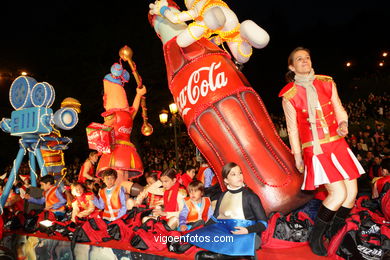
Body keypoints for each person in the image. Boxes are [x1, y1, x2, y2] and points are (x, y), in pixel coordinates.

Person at [279, 47, 365, 256]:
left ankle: (333, 233)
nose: (305, 61)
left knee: (351, 195)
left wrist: (343, 122)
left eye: (307, 57)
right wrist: (298, 156)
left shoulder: (327, 81)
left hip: (337, 142)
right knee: (338, 194)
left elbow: (338, 106)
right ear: (292, 66)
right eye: (299, 59)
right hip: (315, 148)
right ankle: (316, 236)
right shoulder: (289, 95)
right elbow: (292, 129)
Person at [189, 162, 268, 258]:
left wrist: (247, 230)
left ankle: (216, 256)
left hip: (249, 236)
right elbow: (215, 218)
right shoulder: (223, 195)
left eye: (240, 173)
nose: (239, 176)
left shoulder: (251, 196)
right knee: (201, 234)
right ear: (226, 180)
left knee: (235, 241)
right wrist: (204, 229)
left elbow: (263, 223)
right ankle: (181, 246)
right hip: (227, 233)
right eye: (233, 174)